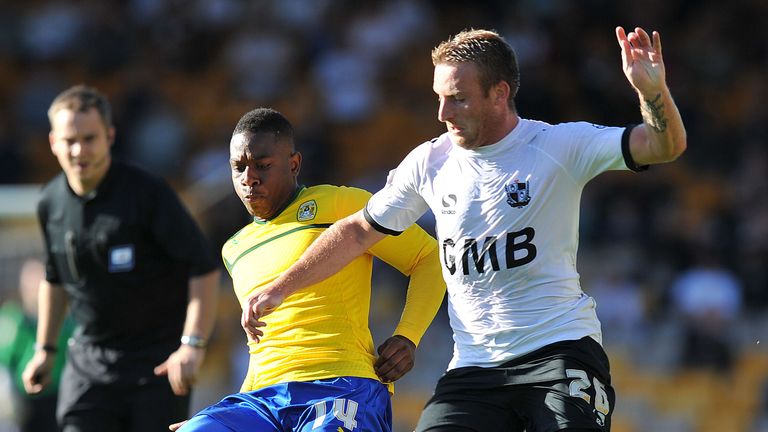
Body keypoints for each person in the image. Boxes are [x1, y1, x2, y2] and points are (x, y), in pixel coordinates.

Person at [241, 26, 687, 432]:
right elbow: (357, 232)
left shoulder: (556, 146)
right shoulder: (430, 162)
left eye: (457, 98)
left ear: (499, 93)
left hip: (559, 353)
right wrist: (280, 288)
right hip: (474, 368)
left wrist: (653, 92)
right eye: (438, 97)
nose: (442, 112)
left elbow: (664, 146)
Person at [176, 108, 445, 432]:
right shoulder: (235, 248)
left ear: (294, 164)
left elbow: (429, 257)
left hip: (341, 385)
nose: (249, 178)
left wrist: (408, 335)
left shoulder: (339, 204)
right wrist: (223, 421)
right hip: (261, 400)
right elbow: (264, 344)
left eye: (262, 165)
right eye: (238, 168)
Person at [21, 85, 221, 432]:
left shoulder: (148, 193)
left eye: (89, 138)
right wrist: (45, 349)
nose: (79, 149)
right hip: (89, 365)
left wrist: (192, 345)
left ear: (110, 136)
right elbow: (55, 278)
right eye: (69, 140)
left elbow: (202, 268)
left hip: (157, 365)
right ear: (53, 142)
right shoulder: (50, 202)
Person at [0, 258, 74, 432]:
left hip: (61, 396)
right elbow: (5, 363)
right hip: (27, 401)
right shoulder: (14, 319)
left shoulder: (67, 322)